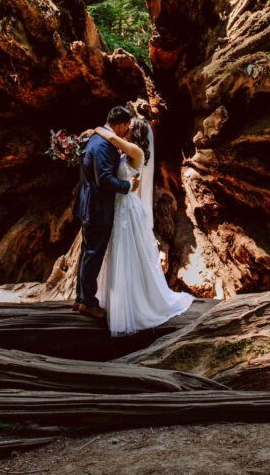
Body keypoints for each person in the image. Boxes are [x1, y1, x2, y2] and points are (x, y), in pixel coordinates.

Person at [90, 118, 194, 336]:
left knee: (125, 253)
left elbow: (110, 137)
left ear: (135, 133)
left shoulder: (135, 150)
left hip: (127, 209)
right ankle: (119, 301)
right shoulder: (128, 152)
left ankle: (134, 304)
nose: (125, 129)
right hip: (122, 206)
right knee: (119, 253)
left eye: (129, 127)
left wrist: (96, 130)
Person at [72, 106, 139, 319]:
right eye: (126, 126)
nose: (127, 129)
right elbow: (104, 179)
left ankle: (81, 298)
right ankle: (88, 303)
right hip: (97, 207)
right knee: (92, 255)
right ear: (119, 125)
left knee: (87, 253)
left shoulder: (97, 137)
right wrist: (128, 186)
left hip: (90, 204)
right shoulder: (102, 145)